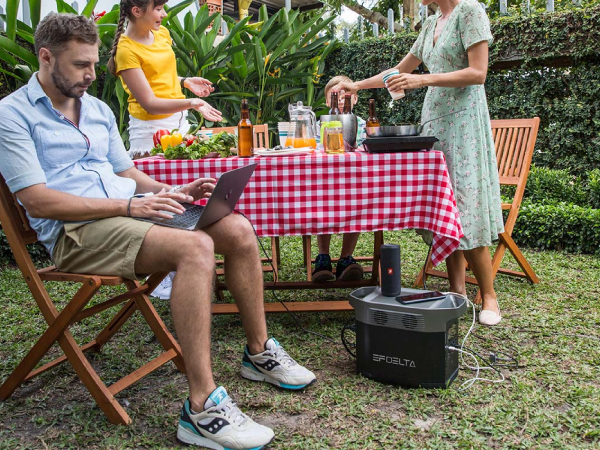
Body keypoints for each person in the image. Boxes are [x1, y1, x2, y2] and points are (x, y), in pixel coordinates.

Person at [0, 13, 315, 450]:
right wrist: (131, 205)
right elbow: (37, 200)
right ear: (46, 56)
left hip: (125, 216)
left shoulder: (96, 108)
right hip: (75, 234)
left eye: (94, 64)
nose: (92, 75)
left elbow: (127, 171)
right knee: (195, 248)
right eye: (80, 66)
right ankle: (202, 408)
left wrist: (173, 191)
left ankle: (259, 352)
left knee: (238, 228)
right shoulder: (12, 115)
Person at [332, 0, 504, 326]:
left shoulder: (470, 11)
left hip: (465, 122)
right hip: (436, 121)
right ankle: (457, 291)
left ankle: (489, 294)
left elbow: (478, 73)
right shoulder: (431, 23)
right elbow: (399, 71)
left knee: (467, 205)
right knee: (446, 205)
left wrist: (423, 81)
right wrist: (356, 84)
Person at [108, 0, 223, 299]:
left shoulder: (162, 34)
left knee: (186, 192)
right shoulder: (126, 50)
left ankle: (187, 267)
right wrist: (193, 102)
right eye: (158, 8)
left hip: (179, 125)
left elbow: (163, 80)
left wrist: (186, 82)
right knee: (164, 199)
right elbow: (148, 101)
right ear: (137, 11)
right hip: (149, 133)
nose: (164, 14)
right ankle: (167, 276)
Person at [312, 76, 367, 282]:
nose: (341, 100)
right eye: (335, 96)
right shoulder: (320, 124)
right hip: (324, 181)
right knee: (320, 201)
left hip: (356, 182)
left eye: (346, 95)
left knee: (358, 202)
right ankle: (323, 256)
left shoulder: (363, 124)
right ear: (327, 102)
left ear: (355, 99)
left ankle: (346, 257)